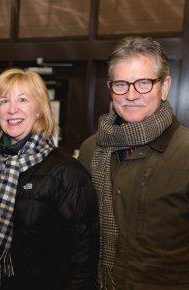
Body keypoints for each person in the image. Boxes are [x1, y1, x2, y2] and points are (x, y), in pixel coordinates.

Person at [0, 68, 98, 290]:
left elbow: (83, 261)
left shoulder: (68, 173)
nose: (12, 109)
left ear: (39, 109)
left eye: (23, 99)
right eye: (4, 101)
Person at [78, 37, 189, 289]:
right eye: (121, 84)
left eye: (143, 83)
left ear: (164, 86)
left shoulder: (185, 151)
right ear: (110, 88)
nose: (130, 95)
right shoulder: (90, 149)